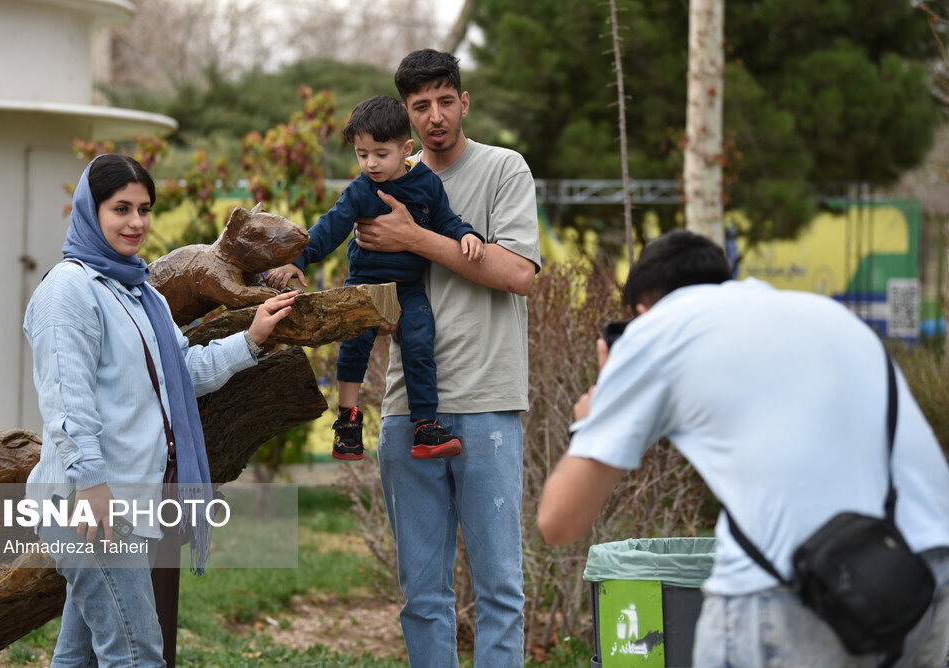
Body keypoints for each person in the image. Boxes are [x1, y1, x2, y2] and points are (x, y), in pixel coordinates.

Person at [537, 230, 949, 667]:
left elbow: (559, 522)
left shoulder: (658, 331)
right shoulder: (826, 314)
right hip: (926, 582)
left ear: (642, 310)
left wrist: (593, 417)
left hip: (802, 597)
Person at [24, 154, 297, 667]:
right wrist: (90, 484)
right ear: (90, 210)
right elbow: (66, 398)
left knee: (79, 656)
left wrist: (253, 339)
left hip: (127, 499)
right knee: (137, 652)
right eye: (120, 208)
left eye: (144, 209)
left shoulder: (138, 290)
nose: (136, 222)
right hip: (92, 504)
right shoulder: (69, 291)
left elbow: (181, 374)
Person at [353, 50, 541, 667]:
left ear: (464, 102)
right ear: (407, 119)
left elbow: (517, 272)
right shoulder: (384, 179)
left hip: (487, 403)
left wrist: (415, 238)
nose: (435, 116)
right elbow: (370, 288)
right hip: (410, 408)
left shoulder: (503, 169)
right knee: (422, 596)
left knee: (499, 592)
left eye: (444, 100)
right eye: (420, 107)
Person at [267, 94, 485, 461]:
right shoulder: (359, 190)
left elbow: (445, 218)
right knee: (354, 343)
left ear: (406, 149)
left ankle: (424, 426)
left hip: (410, 288)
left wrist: (466, 234)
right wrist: (299, 260)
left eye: (380, 154)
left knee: (419, 342)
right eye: (361, 153)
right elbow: (329, 228)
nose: (370, 163)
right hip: (365, 284)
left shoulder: (427, 184)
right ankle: (349, 422)